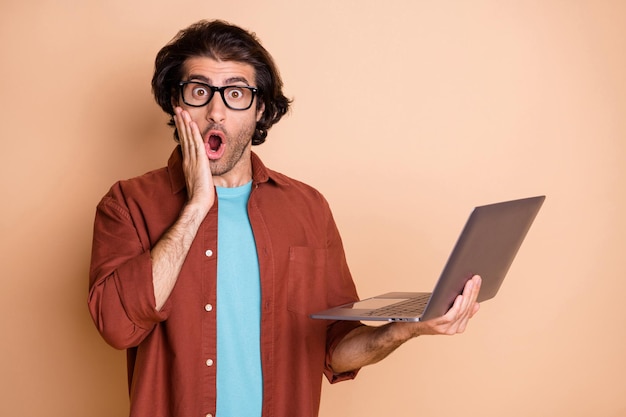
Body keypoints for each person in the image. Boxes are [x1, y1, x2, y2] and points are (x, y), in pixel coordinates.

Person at [88, 19, 482, 417]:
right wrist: (195, 207)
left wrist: (406, 328)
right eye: (199, 91)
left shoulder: (308, 208)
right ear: (178, 103)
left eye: (236, 93)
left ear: (260, 109)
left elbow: (334, 348)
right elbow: (118, 326)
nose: (216, 112)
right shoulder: (127, 204)